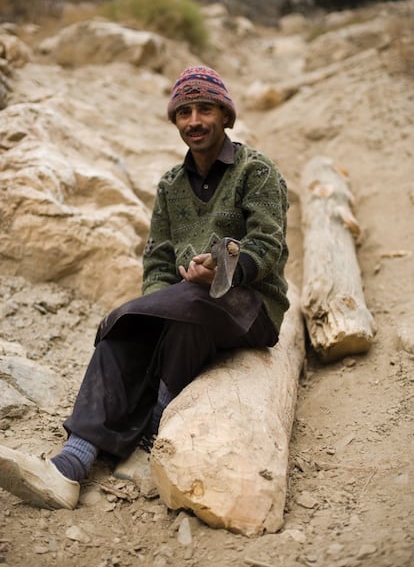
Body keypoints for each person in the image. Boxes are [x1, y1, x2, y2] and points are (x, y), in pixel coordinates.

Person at [0, 65, 289, 510]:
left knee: (184, 306)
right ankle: (70, 465)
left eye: (205, 109)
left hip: (252, 307)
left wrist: (222, 270)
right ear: (175, 121)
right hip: (189, 312)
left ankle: (152, 433)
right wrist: (158, 299)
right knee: (135, 325)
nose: (194, 121)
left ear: (225, 116)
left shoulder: (257, 171)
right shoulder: (170, 185)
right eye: (184, 112)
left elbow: (267, 243)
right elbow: (157, 260)